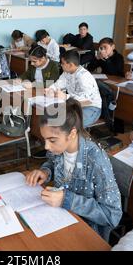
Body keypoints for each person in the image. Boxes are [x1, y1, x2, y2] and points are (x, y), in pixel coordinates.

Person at [26, 98, 122, 240]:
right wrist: (46, 171)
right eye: (44, 139)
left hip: (85, 231)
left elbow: (112, 215)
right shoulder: (58, 148)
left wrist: (67, 199)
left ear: (71, 134)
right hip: (60, 217)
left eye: (52, 140)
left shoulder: (96, 161)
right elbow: (52, 162)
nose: (46, 146)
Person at [46, 50, 102, 127]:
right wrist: (50, 89)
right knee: (53, 115)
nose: (61, 65)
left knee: (71, 124)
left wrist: (66, 97)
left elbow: (87, 101)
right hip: (75, 106)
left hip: (91, 108)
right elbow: (58, 84)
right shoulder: (66, 72)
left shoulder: (84, 76)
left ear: (70, 65)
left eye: (62, 63)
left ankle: (84, 138)